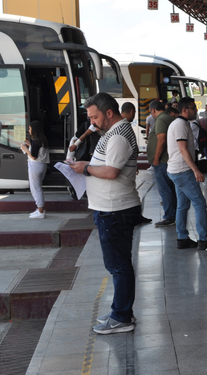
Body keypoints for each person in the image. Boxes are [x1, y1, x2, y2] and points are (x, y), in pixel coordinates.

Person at [68, 92, 141, 334]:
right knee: (118, 264)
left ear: (109, 113)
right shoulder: (111, 132)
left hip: (115, 210)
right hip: (110, 208)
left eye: (95, 117)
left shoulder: (118, 136)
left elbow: (111, 172)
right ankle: (121, 312)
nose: (92, 122)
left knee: (118, 266)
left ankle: (121, 317)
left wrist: (85, 168)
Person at [166, 97, 207, 251]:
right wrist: (196, 170)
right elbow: (183, 149)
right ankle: (203, 239)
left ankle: (182, 238)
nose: (196, 110)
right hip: (182, 170)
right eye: (193, 108)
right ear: (184, 110)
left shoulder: (183, 124)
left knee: (182, 205)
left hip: (176, 170)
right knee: (199, 203)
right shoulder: (180, 125)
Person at [146, 100, 177, 228]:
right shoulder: (167, 117)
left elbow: (162, 140)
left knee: (165, 189)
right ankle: (173, 215)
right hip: (167, 160)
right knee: (169, 189)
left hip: (163, 160)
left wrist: (156, 158)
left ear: (153, 110)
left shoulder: (161, 119)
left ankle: (169, 216)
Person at [20, 121, 49, 219]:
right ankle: (39, 209)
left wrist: (25, 148)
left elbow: (34, 156)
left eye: (30, 128)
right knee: (38, 187)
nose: (29, 130)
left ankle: (40, 211)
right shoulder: (42, 139)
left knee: (35, 189)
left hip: (35, 165)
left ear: (34, 129)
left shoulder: (36, 140)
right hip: (43, 165)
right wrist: (30, 144)